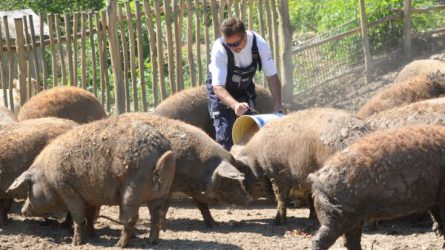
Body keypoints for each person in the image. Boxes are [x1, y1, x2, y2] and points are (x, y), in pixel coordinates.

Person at [206, 17, 285, 150]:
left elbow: (272, 76)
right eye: (229, 45)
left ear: (244, 36)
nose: (233, 48)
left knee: (251, 133)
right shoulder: (219, 49)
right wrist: (234, 104)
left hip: (244, 87)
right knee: (226, 138)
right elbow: (218, 88)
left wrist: (278, 104)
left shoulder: (259, 44)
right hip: (222, 92)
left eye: (236, 44)